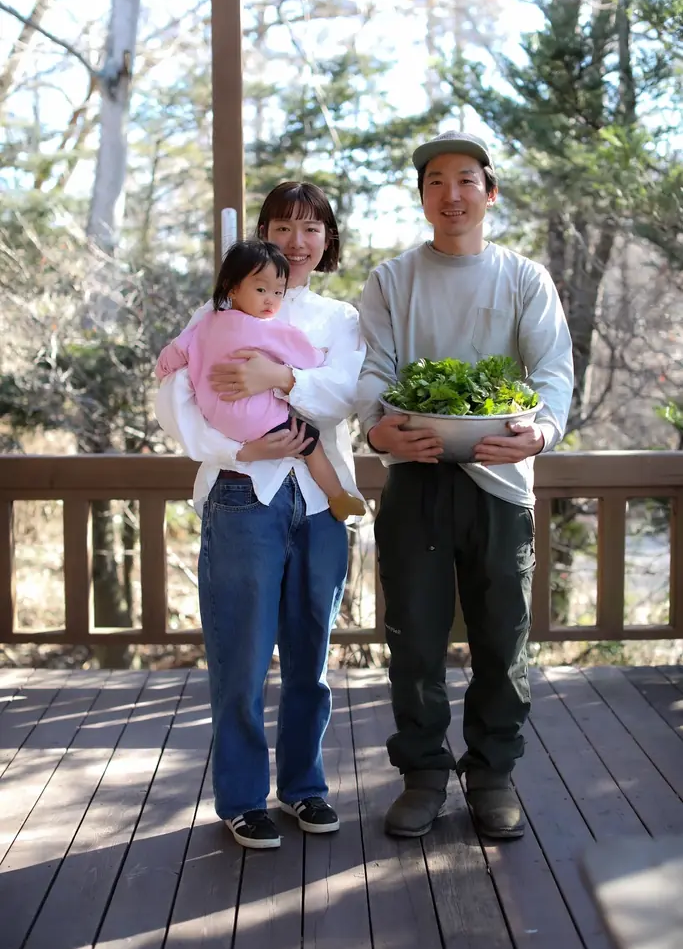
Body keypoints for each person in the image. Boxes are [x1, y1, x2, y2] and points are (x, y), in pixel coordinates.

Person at [356, 131, 573, 840]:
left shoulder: (523, 279)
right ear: (421, 196)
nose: (450, 195)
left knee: (500, 640)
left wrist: (539, 432)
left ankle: (490, 775)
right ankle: (422, 774)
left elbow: (550, 376)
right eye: (434, 182)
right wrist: (377, 428)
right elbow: (373, 374)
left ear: (489, 191)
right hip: (414, 479)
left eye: (464, 180)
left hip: (500, 483)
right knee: (413, 639)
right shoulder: (391, 279)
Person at [155, 182, 365, 849]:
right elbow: (175, 396)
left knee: (311, 660)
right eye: (282, 227)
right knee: (241, 657)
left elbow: (344, 397)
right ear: (261, 234)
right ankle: (243, 799)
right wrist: (235, 448)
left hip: (318, 504)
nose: (296, 241)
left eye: (312, 228)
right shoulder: (215, 311)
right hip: (241, 493)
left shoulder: (341, 319)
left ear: (327, 239)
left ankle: (304, 789)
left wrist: (276, 378)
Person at [154, 238, 364, 522]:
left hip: (220, 422)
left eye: (278, 292)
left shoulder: (205, 323)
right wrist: (318, 355)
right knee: (309, 444)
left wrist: (162, 369)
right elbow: (306, 357)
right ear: (233, 287)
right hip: (259, 422)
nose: (270, 300)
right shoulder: (265, 329)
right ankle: (338, 497)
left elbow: (173, 356)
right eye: (262, 289)